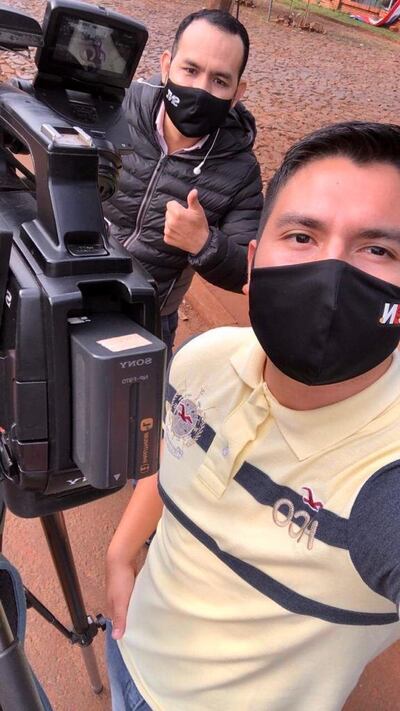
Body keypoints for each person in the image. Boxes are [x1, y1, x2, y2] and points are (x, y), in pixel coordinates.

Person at [106, 121, 400, 711]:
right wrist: (120, 551)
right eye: (301, 235)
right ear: (253, 262)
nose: (331, 273)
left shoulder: (385, 488)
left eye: (379, 250)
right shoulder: (203, 360)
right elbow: (175, 452)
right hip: (131, 651)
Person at [104, 9, 263, 361]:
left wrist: (204, 243)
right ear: (167, 66)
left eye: (219, 80)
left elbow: (249, 267)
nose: (200, 89)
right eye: (190, 70)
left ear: (237, 92)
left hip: (147, 316)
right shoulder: (116, 106)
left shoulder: (240, 170)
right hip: (64, 284)